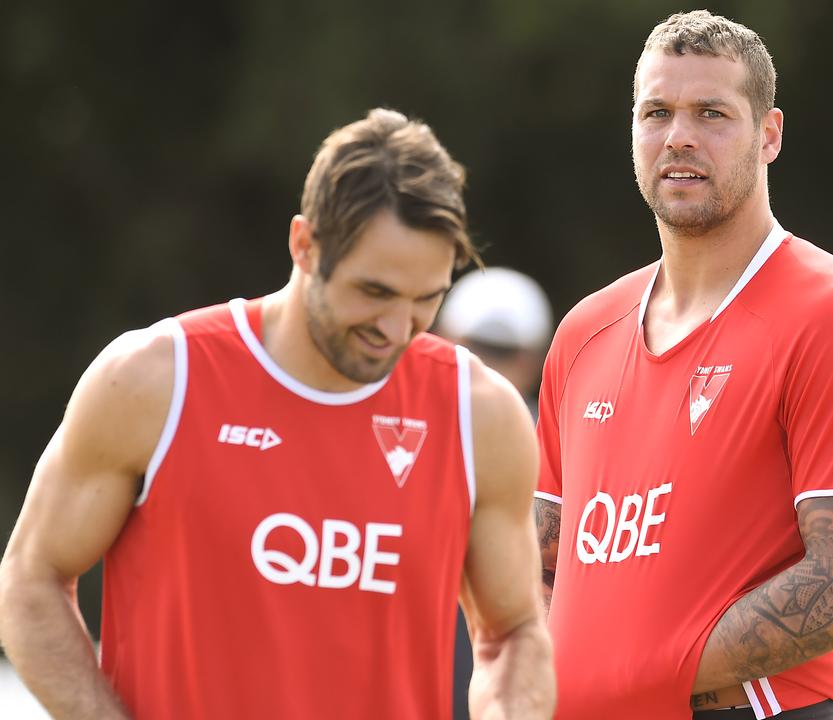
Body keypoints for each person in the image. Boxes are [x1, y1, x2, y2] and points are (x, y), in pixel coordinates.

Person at [0, 108, 555, 719]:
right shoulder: (155, 380)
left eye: (426, 299)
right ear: (305, 246)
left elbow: (515, 633)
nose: (398, 328)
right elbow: (32, 577)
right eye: (374, 292)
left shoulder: (480, 414)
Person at [535, 11, 833, 720]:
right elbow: (534, 567)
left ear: (769, 135)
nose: (679, 135)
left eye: (711, 113)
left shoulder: (832, 312)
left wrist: (632, 675)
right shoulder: (585, 329)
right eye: (657, 113)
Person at [434, 265, 554, 719]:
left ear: (533, 360)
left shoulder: (560, 443)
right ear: (442, 337)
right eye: (475, 346)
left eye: (504, 352)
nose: (486, 365)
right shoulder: (396, 426)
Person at [437, 266, 554, 418]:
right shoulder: (406, 418)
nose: (485, 367)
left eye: (501, 353)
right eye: (473, 348)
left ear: (536, 362)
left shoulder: (554, 437)